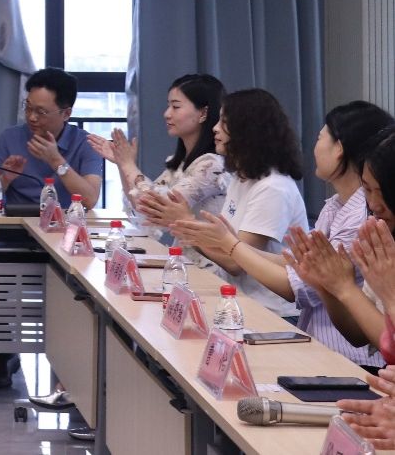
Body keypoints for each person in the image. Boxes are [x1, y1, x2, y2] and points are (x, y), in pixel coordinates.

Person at [169, 101, 392, 365]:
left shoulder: (359, 217)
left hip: (339, 352)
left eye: (224, 122)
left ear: (339, 148)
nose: (215, 129)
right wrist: (226, 242)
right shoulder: (334, 205)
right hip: (323, 344)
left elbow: (293, 284)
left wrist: (228, 244)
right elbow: (303, 268)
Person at [0, 67, 103, 394]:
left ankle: (68, 367)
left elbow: (90, 197)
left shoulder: (84, 144)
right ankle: (2, 356)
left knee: (78, 294)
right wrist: (5, 178)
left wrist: (57, 162)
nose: (32, 118)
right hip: (16, 237)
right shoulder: (11, 137)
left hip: (67, 241)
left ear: (66, 113)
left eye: (41, 111)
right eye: (28, 107)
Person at [149, 88, 309, 320]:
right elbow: (227, 249)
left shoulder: (273, 188)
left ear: (248, 129)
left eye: (224, 123)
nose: (215, 128)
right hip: (239, 303)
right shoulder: (241, 179)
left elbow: (235, 262)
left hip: (273, 313)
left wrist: (186, 223)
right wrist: (186, 226)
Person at [281, 124, 395, 362]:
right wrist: (328, 286)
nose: (374, 204)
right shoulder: (382, 237)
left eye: (383, 191)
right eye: (367, 189)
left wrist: (347, 288)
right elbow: (359, 335)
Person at [88, 73, 228, 258]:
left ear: (203, 113)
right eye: (168, 106)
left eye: (176, 107)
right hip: (184, 260)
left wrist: (128, 165)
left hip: (209, 265)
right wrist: (123, 164)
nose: (167, 114)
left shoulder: (211, 165)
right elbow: (142, 206)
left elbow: (159, 205)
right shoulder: (181, 163)